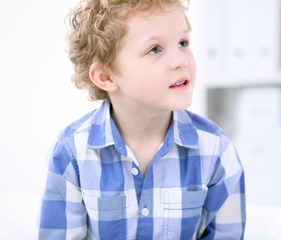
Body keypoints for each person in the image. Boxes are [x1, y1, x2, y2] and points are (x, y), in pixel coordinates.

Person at [37, 0, 246, 239]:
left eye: (183, 43)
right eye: (155, 49)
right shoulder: (70, 155)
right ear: (106, 76)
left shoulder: (217, 151)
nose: (181, 60)